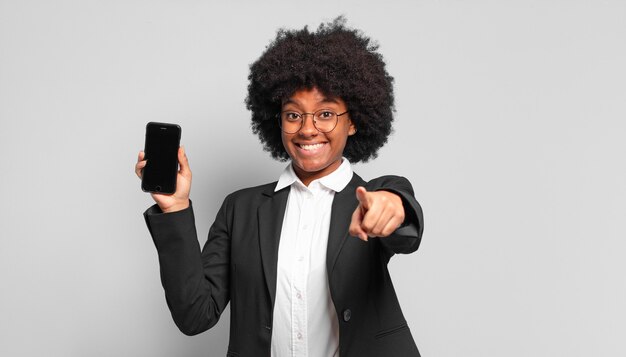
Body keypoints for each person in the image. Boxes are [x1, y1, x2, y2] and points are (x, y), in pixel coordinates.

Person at [135, 17, 424, 357]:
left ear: (354, 122)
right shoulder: (240, 209)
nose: (308, 129)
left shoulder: (373, 197)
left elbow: (403, 225)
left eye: (326, 114)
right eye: (293, 115)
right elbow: (195, 314)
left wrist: (391, 208)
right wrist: (174, 208)